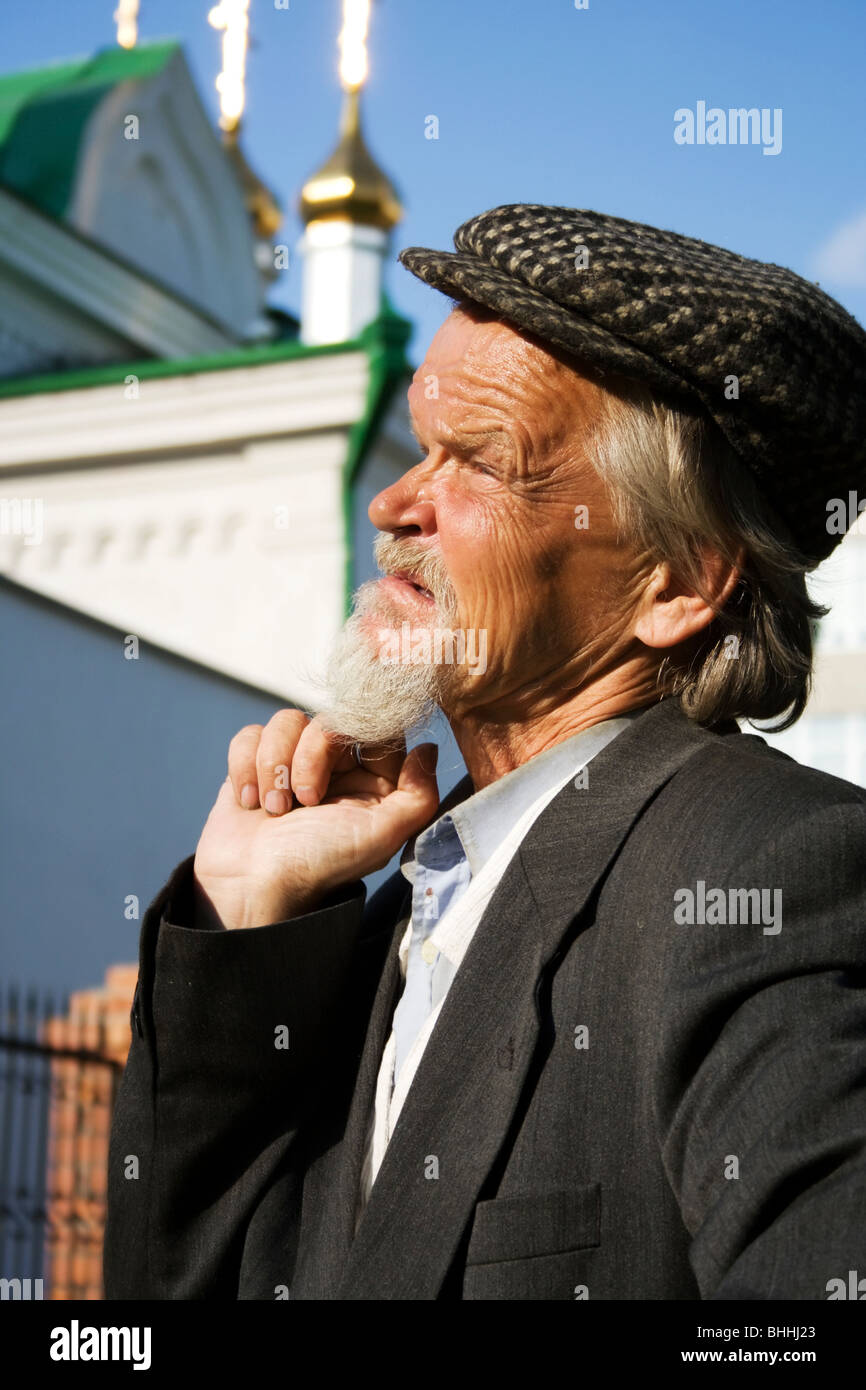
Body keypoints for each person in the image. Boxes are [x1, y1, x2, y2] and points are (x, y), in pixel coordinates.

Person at [104, 205, 866, 1300]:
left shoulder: (766, 877)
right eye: (423, 446)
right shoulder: (388, 914)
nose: (393, 504)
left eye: (479, 464)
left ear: (679, 580)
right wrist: (247, 918)